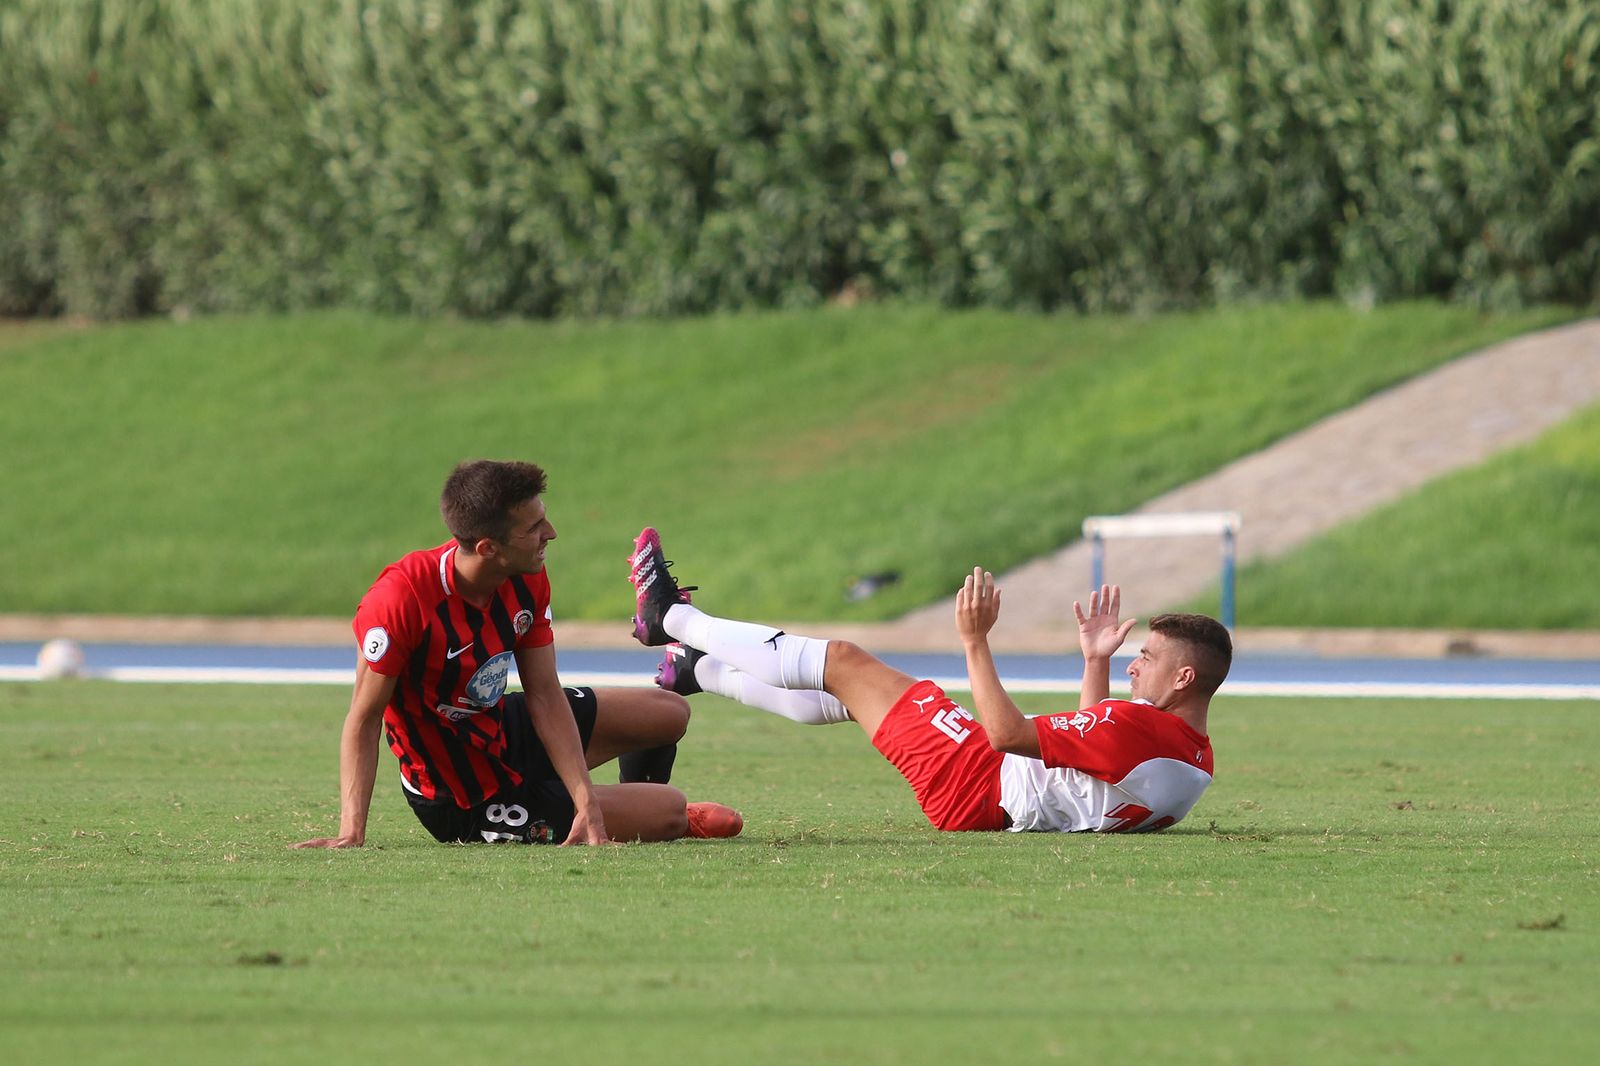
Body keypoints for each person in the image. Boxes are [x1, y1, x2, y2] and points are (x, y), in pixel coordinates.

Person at [627, 527, 1230, 834]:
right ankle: (697, 670)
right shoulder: (1194, 760)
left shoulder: (1139, 727)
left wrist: (974, 638)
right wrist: (1095, 662)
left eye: (1145, 658)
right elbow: (1092, 761)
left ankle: (673, 617)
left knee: (843, 660)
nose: (1134, 663)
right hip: (991, 796)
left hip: (980, 777)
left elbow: (1007, 734)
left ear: (1182, 676)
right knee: (860, 693)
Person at [292, 463, 741, 849]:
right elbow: (365, 717)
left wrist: (585, 798)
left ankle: (612, 813)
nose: (551, 533)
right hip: (460, 792)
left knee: (669, 713)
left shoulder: (527, 575)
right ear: (488, 547)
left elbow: (544, 694)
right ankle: (659, 818)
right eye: (533, 528)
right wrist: (352, 831)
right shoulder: (400, 599)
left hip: (501, 729)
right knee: (672, 810)